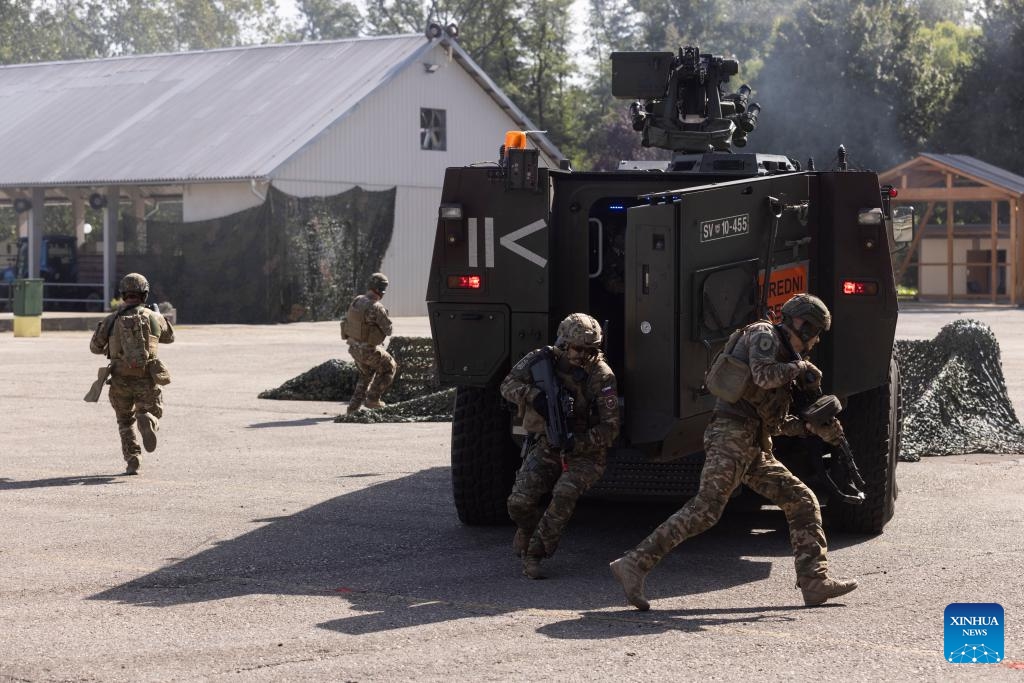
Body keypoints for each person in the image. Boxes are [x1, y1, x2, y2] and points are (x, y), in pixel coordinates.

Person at [609, 293, 857, 610]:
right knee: (706, 509)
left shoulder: (788, 359)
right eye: (817, 332)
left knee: (801, 500)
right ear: (803, 325)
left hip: (753, 441)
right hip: (730, 434)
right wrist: (800, 369)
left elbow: (776, 423)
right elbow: (763, 376)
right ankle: (633, 564)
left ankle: (814, 581)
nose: (816, 341)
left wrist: (812, 428)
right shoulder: (763, 335)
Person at [501, 313, 620, 579]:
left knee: (564, 493)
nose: (583, 355)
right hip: (547, 442)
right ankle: (529, 530)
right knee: (519, 502)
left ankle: (536, 554)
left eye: (591, 350)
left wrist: (578, 441)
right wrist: (534, 396)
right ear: (564, 344)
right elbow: (507, 385)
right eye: (578, 348)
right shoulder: (543, 360)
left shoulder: (601, 376)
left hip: (586, 452)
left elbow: (610, 428)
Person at [89, 273, 174, 475]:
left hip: (119, 380)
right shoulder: (153, 317)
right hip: (146, 377)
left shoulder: (111, 320)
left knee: (125, 422)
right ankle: (149, 419)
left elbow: (94, 347)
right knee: (152, 410)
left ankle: (133, 459)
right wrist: (157, 316)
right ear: (144, 294)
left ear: (123, 294)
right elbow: (170, 337)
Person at [342, 272, 396, 414]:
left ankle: (353, 408)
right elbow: (389, 330)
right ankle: (373, 399)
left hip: (354, 349)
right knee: (389, 366)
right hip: (367, 351)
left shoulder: (357, 300)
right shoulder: (376, 307)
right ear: (381, 290)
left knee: (365, 375)